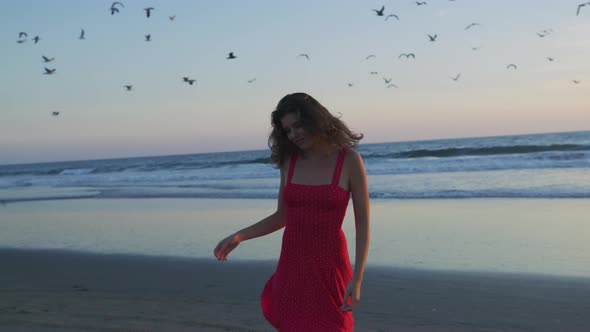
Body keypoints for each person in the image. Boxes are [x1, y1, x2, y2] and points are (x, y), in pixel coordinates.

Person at [213, 92, 370, 331]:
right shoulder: (289, 162)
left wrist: (357, 279)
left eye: (298, 125)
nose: (294, 134)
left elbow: (363, 225)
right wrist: (240, 235)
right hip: (293, 268)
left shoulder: (349, 161)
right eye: (287, 130)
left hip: (330, 269)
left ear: (315, 119)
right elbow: (282, 217)